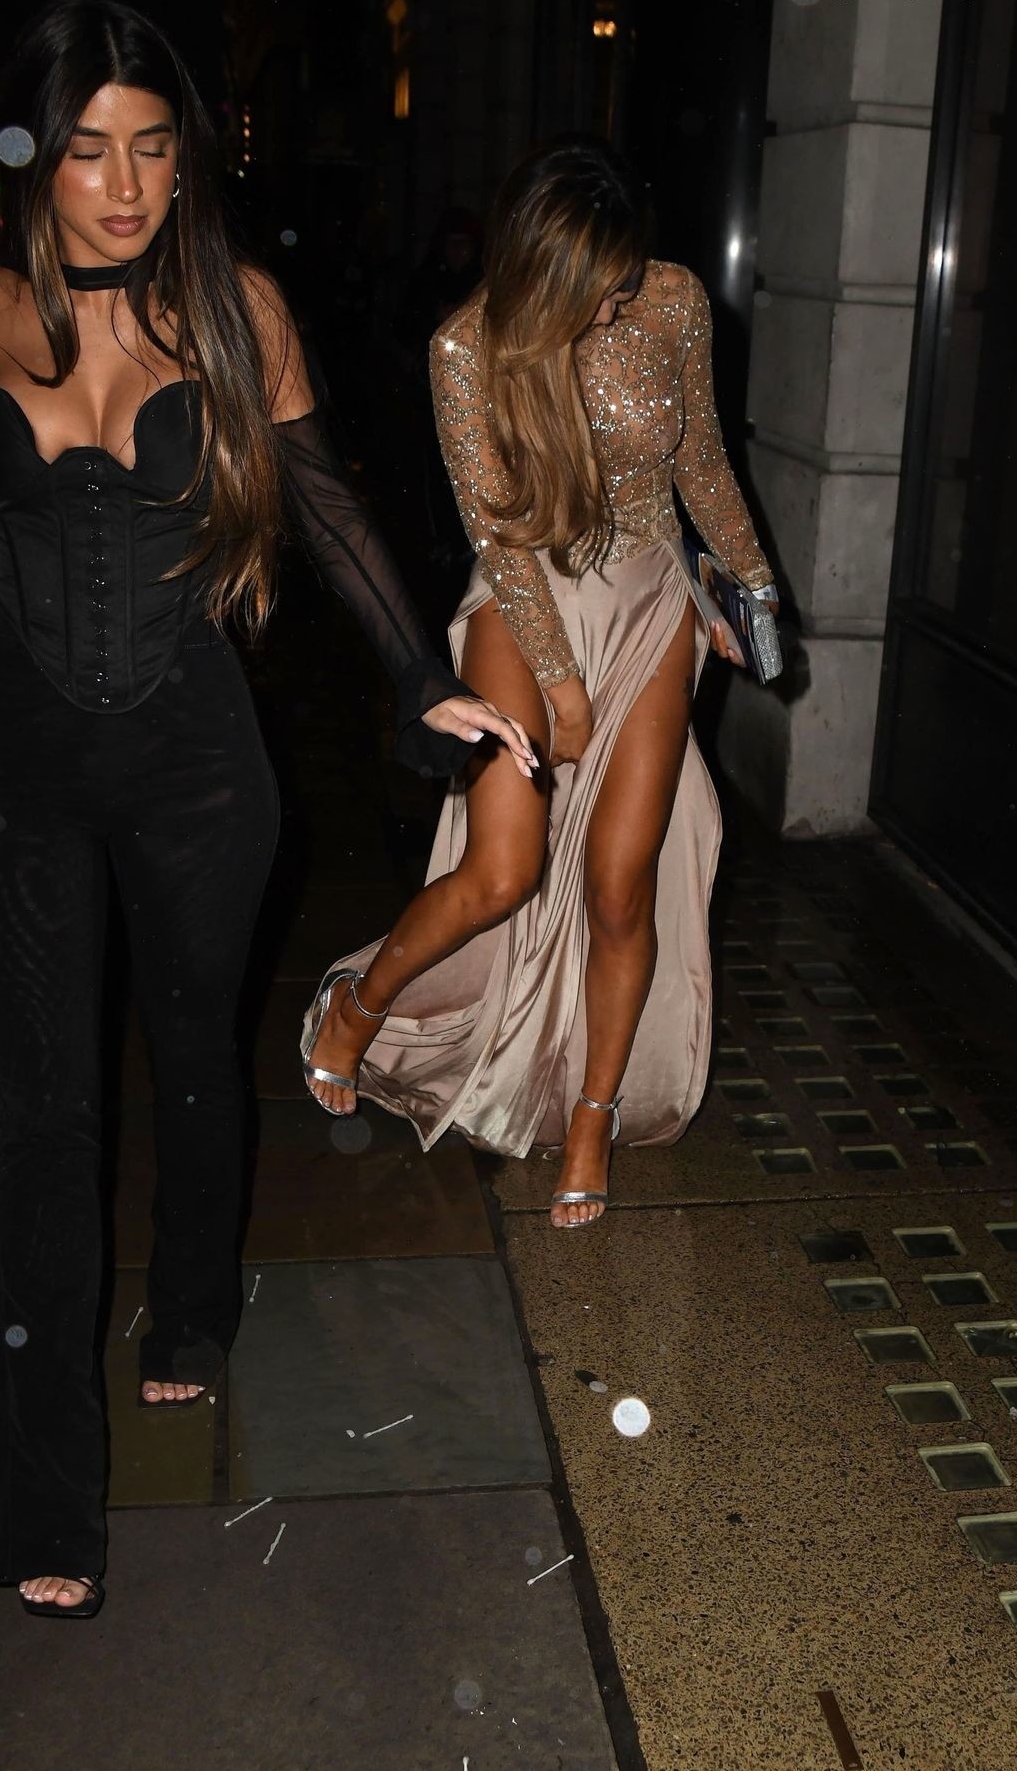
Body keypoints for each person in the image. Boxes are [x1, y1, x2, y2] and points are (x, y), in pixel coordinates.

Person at [0, 0, 535, 1619]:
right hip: (17, 758)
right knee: (46, 1115)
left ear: (184, 157)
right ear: (33, 161)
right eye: (85, 151)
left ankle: (192, 1300)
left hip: (198, 754)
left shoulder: (237, 308)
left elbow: (321, 502)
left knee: (194, 1060)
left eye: (150, 147)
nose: (123, 187)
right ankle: (48, 1498)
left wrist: (419, 676)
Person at [300, 135, 779, 1230]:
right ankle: (361, 1004)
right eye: (599, 289)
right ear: (542, 274)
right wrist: (562, 687)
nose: (618, 304)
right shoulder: (463, 347)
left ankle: (591, 1114)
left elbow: (701, 458)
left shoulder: (673, 300)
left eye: (627, 279)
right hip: (525, 601)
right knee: (503, 869)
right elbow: (499, 539)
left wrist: (750, 589)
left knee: (621, 885)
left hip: (649, 599)